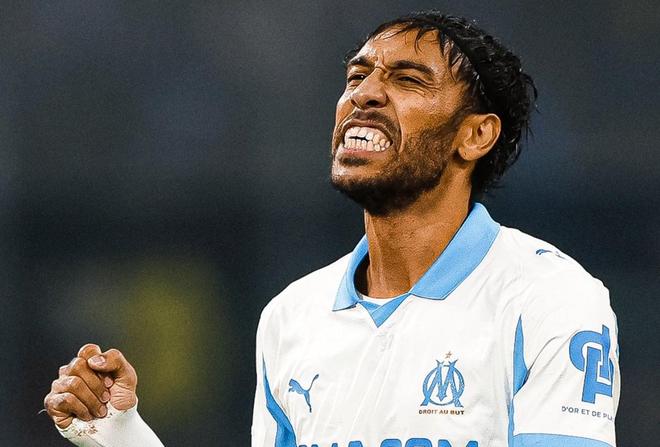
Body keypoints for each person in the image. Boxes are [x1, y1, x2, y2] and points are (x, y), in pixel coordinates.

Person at [44, 10, 620, 447]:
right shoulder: (291, 317)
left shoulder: (550, 300)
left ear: (475, 135)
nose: (364, 94)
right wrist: (120, 433)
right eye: (357, 76)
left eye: (408, 80)